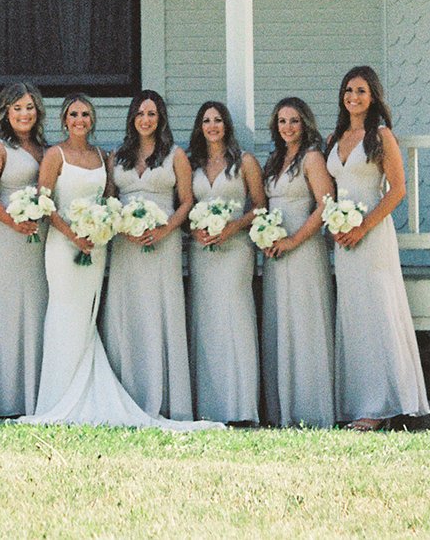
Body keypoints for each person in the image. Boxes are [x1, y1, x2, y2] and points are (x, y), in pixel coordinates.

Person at [21, 94, 207, 429]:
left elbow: (109, 200)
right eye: (74, 114)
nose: (80, 120)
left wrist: (106, 227)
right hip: (66, 246)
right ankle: (56, 397)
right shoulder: (61, 154)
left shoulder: (103, 156)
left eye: (86, 114)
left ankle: (97, 390)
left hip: (102, 245)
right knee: (65, 313)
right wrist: (74, 235)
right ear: (64, 120)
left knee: (89, 318)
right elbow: (44, 202)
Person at [325, 65, 429, 428]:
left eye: (361, 91)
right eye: (348, 90)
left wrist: (363, 227)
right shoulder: (335, 138)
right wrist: (336, 224)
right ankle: (360, 403)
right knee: (353, 315)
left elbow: (397, 189)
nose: (353, 97)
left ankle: (384, 405)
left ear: (373, 98)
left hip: (372, 234)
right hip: (343, 237)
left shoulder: (381, 135)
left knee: (377, 310)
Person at [102, 89, 196, 419]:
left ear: (161, 119)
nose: (146, 119)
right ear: (132, 118)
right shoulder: (117, 157)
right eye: (140, 113)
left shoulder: (175, 156)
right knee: (127, 310)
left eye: (152, 114)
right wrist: (123, 229)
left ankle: (166, 399)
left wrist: (165, 230)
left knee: (161, 309)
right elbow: (110, 200)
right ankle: (128, 393)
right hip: (126, 245)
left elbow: (186, 201)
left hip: (163, 243)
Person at [183, 99, 264, 425]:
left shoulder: (244, 162)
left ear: (226, 125)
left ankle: (241, 407)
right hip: (202, 252)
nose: (212, 126)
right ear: (200, 127)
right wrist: (196, 230)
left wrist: (232, 226)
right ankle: (209, 407)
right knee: (206, 321)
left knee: (235, 318)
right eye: (206, 121)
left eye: (218, 120)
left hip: (236, 250)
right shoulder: (192, 165)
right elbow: (186, 208)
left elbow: (259, 206)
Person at [257, 95, 336, 428]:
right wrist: (266, 237)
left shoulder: (312, 158)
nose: (288, 127)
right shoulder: (275, 159)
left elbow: (324, 205)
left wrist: (294, 240)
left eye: (294, 121)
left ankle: (311, 409)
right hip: (276, 253)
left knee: (305, 324)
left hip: (304, 249)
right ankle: (281, 410)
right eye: (282, 121)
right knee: (280, 323)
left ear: (305, 124)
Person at [0, 82, 51, 418]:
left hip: (36, 240)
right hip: (3, 238)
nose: (24, 114)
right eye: (17, 108)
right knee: (6, 313)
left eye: (30, 108)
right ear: (6, 112)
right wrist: (12, 221)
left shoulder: (43, 148)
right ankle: (2, 399)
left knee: (34, 311)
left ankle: (32, 395)